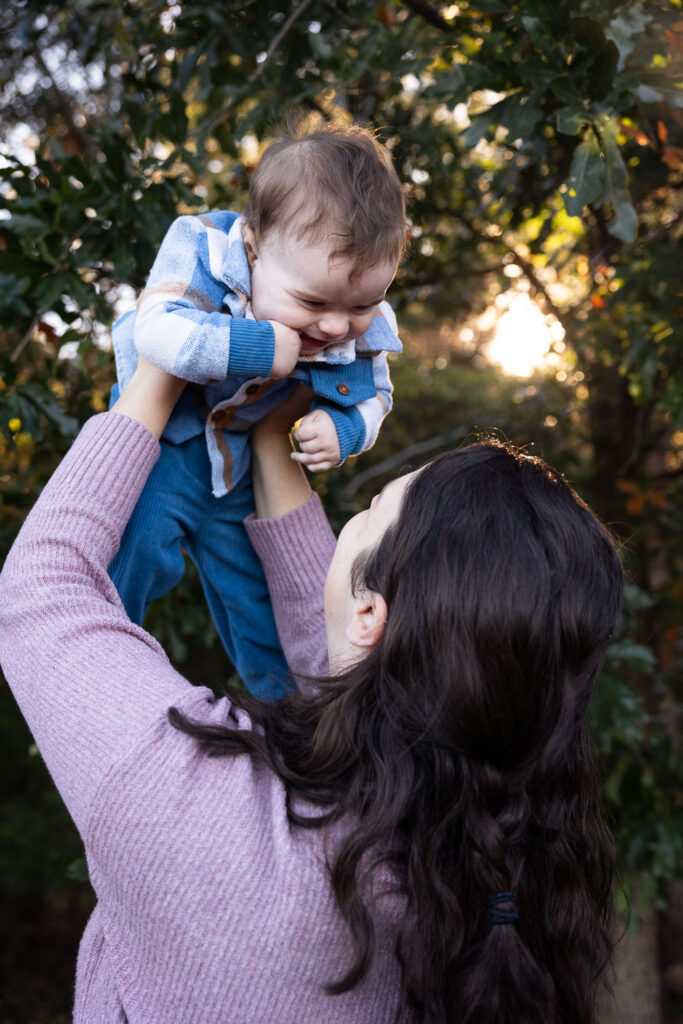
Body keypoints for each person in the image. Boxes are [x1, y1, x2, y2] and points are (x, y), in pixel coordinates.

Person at [0, 360, 623, 1024]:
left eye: (371, 509)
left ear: (372, 614)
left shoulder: (196, 803)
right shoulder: (507, 877)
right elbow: (348, 658)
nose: (352, 520)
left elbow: (44, 585)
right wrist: (270, 439)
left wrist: (158, 370)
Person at [108, 122, 406, 700]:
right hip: (167, 446)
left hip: (240, 466)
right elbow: (156, 330)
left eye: (363, 304)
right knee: (133, 550)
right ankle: (91, 673)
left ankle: (290, 720)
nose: (336, 326)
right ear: (254, 247)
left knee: (260, 601)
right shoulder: (205, 248)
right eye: (313, 302)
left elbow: (377, 395)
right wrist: (258, 346)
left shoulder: (354, 321)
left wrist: (342, 429)